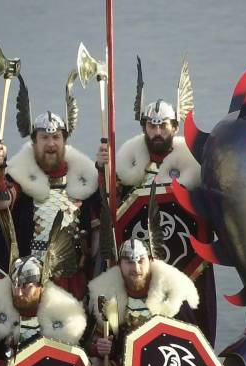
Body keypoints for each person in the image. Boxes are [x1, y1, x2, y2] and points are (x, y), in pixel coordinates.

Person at [96, 58, 216, 344]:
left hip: (187, 262)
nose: (158, 131)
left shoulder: (193, 168)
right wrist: (104, 170)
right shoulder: (129, 169)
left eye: (163, 126)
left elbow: (208, 207)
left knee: (193, 327)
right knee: (133, 332)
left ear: (175, 127)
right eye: (152, 125)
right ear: (144, 128)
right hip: (137, 269)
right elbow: (110, 206)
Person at [0, 80, 100, 298]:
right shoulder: (20, 178)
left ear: (64, 141)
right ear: (34, 142)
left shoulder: (84, 180)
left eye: (56, 137)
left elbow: (97, 230)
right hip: (31, 283)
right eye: (44, 138)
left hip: (74, 279)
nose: (50, 144)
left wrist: (104, 169)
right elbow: (2, 201)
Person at [87, 238, 199, 366]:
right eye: (129, 262)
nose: (136, 268)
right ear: (120, 264)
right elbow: (93, 342)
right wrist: (102, 347)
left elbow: (193, 345)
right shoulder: (109, 297)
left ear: (150, 260)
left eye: (141, 261)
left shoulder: (172, 295)